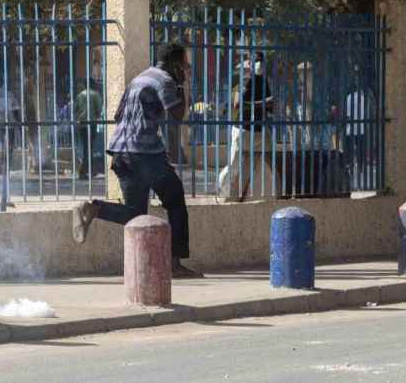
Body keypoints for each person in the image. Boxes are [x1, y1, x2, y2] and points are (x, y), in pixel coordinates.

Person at [72, 42, 202, 279]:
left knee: (135, 215)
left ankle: (93, 208)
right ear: (176, 65)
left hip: (121, 151)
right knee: (176, 202)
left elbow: (118, 114)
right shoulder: (166, 80)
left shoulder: (139, 78)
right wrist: (184, 84)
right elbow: (177, 115)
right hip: (144, 153)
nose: (187, 68)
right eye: (185, 64)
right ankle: (174, 264)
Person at [218, 52, 274, 201]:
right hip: (243, 129)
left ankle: (244, 196)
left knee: (255, 167)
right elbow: (238, 104)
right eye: (256, 61)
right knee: (235, 165)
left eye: (262, 61)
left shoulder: (264, 81)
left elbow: (271, 105)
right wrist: (263, 103)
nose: (259, 64)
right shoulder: (245, 80)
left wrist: (267, 104)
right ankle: (225, 194)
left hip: (258, 131)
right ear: (250, 63)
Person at [74, 78, 103, 179]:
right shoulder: (95, 94)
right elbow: (99, 109)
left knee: (84, 148)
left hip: (81, 124)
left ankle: (89, 170)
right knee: (89, 148)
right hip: (91, 124)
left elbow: (76, 110)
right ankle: (84, 171)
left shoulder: (79, 95)